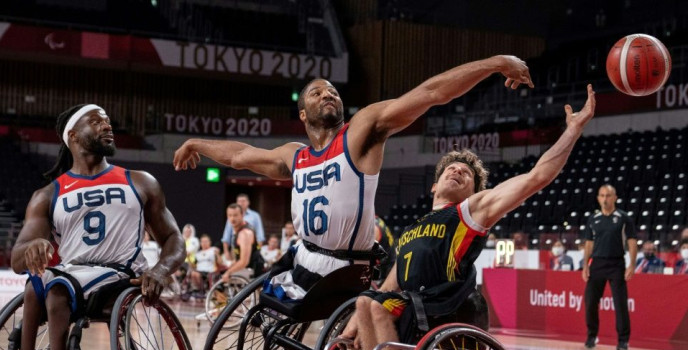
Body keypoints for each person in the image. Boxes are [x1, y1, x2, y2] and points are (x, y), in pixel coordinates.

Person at [338, 85, 596, 350]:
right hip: (409, 306)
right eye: (451, 168)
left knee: (376, 304)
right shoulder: (414, 228)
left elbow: (538, 177)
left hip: (440, 305)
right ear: (433, 186)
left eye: (467, 173)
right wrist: (359, 317)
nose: (457, 171)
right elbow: (392, 282)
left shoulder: (470, 212)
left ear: (475, 191)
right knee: (368, 300)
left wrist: (573, 130)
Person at [174, 55, 535, 299]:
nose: (328, 93)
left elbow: (430, 93)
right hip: (304, 260)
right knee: (257, 307)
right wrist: (195, 143)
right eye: (317, 92)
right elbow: (239, 155)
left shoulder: (359, 132)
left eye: (332, 90)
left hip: (346, 267)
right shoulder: (295, 155)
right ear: (302, 114)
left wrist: (496, 63)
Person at [0, 104, 185, 350]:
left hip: (120, 275)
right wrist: (32, 247)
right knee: (35, 284)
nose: (107, 126)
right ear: (72, 136)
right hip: (73, 274)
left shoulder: (140, 181)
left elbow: (174, 239)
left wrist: (162, 270)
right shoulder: (48, 194)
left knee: (56, 289)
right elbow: (18, 260)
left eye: (108, 121)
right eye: (96, 121)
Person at [582, 184, 637, 350]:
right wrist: (585, 265)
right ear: (598, 198)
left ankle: (623, 340)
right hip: (597, 263)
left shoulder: (623, 218)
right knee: (590, 300)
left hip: (616, 264)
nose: (605, 199)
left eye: (608, 195)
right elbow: (589, 244)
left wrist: (632, 264)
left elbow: (632, 242)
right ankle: (592, 336)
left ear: (615, 198)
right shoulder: (593, 219)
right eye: (602, 195)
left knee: (620, 303)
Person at [223, 203, 264, 283]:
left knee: (224, 279)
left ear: (242, 215)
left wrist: (228, 272)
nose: (232, 218)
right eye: (230, 215)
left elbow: (244, 262)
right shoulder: (237, 231)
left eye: (235, 215)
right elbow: (238, 258)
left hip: (253, 271)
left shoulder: (245, 234)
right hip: (247, 270)